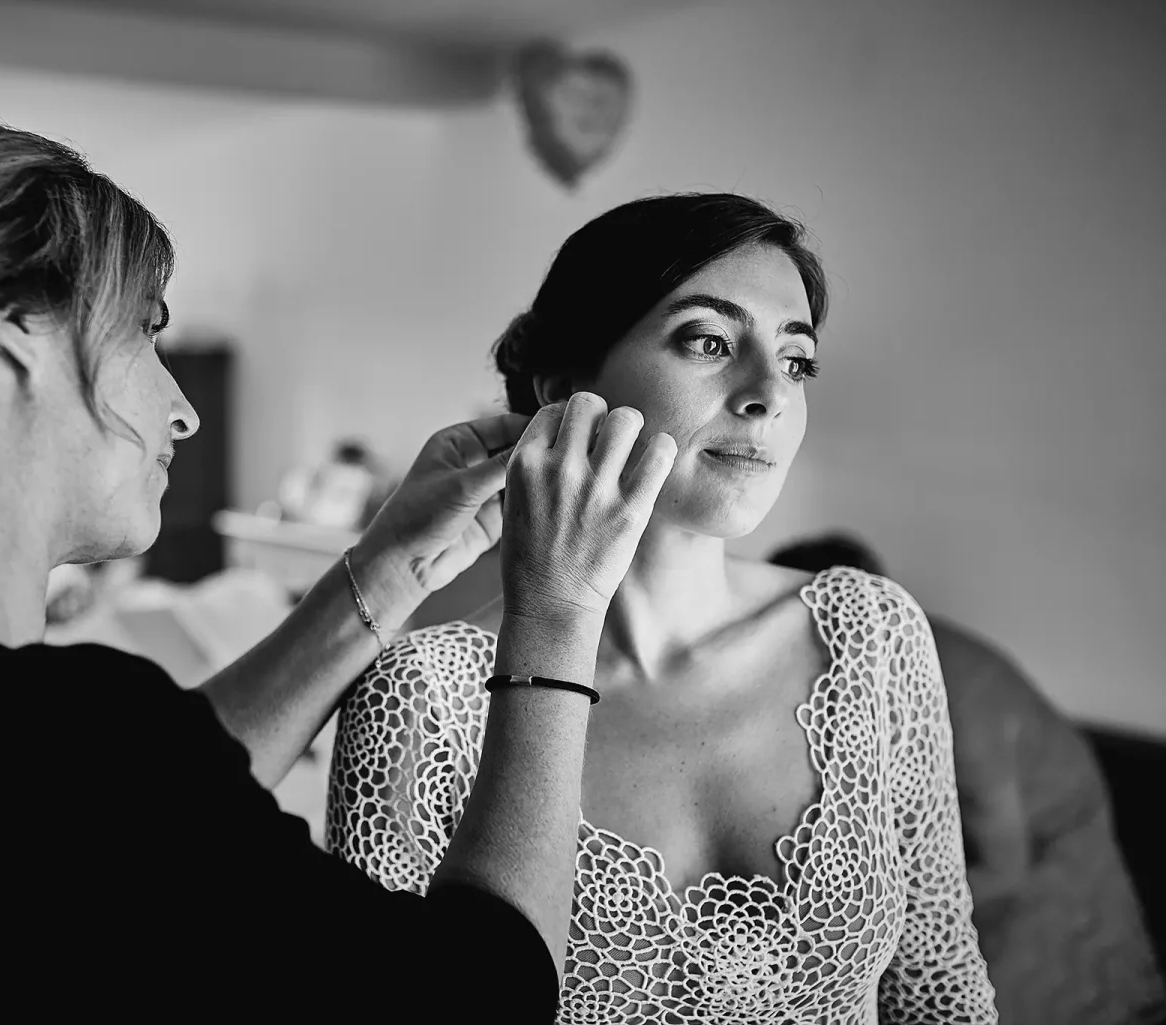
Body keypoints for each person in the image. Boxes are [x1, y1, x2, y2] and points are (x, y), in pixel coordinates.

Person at [0, 112, 680, 1020]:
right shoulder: (72, 744)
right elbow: (487, 991)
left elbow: (135, 836)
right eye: (146, 328)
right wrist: (556, 611)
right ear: (13, 322)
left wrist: (390, 566)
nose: (183, 406)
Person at [325, 194, 999, 1023]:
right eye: (708, 342)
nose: (768, 396)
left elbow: (941, 989)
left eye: (797, 361)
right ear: (567, 386)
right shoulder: (422, 699)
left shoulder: (870, 634)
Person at [769, 532, 1166, 1025]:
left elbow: (1004, 867)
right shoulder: (825, 679)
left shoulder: (957, 693)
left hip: (1041, 839)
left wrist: (858, 927)